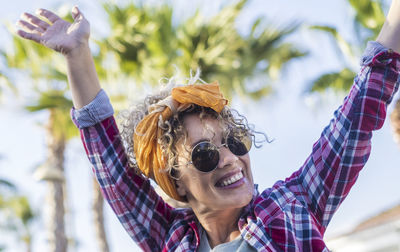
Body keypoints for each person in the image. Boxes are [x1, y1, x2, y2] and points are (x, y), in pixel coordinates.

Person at [16, 1, 400, 251]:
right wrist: (78, 55)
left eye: (233, 140)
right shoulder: (170, 238)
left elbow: (355, 120)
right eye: (203, 154)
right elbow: (112, 167)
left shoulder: (291, 208)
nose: (230, 159)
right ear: (175, 181)